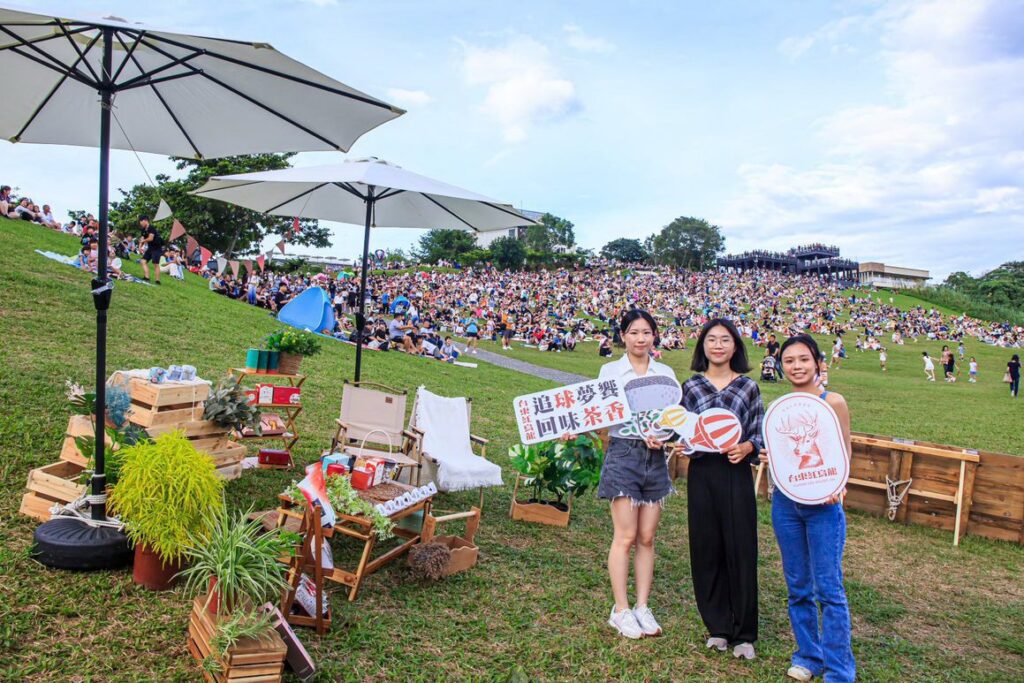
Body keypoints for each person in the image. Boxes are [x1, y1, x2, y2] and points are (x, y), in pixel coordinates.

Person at [767, 333, 856, 683]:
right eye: (789, 361)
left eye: (803, 359)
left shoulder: (833, 401)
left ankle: (839, 670)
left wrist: (838, 484)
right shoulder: (783, 408)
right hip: (787, 505)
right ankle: (808, 655)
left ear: (818, 362)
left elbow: (845, 450)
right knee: (798, 586)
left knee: (830, 590)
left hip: (824, 505)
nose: (796, 366)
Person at [682, 318, 764, 660]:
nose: (717, 345)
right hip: (701, 472)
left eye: (725, 340)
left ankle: (744, 632)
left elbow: (759, 433)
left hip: (735, 472)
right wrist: (678, 441)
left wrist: (747, 448)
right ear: (703, 345)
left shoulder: (748, 387)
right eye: (711, 339)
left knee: (740, 548)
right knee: (706, 547)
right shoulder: (690, 387)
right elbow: (680, 429)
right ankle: (717, 626)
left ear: (735, 346)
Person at [595, 309, 676, 640]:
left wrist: (665, 436)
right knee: (625, 536)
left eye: (646, 332)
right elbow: (597, 416)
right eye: (633, 332)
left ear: (654, 336)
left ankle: (642, 606)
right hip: (623, 453)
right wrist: (574, 428)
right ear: (623, 336)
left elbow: (672, 418)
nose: (640, 338)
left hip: (655, 458)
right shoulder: (611, 371)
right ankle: (621, 609)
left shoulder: (665, 372)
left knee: (646, 537)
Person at [138, 216, 163, 285]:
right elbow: (142, 238)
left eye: (141, 222)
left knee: (155, 264)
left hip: (157, 248)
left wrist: (143, 240)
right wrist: (140, 247)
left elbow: (150, 238)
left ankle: (157, 280)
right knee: (143, 261)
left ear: (145, 221)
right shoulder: (143, 229)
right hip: (150, 248)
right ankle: (147, 277)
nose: (141, 224)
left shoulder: (151, 228)